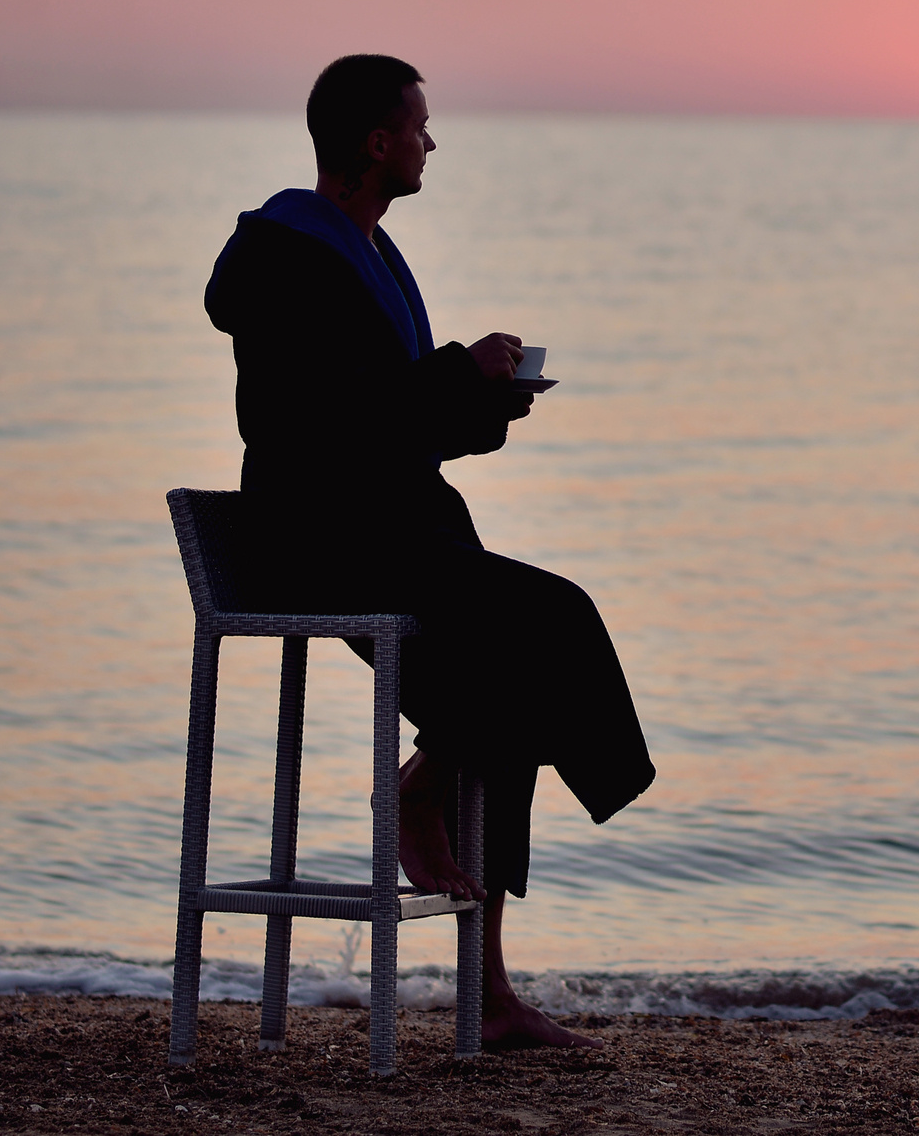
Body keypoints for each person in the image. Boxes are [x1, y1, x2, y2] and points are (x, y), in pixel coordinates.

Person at [204, 53, 655, 1051]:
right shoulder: (289, 255)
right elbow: (335, 420)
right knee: (546, 622)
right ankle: (419, 806)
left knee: (518, 668)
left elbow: (399, 423)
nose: (429, 142)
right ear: (376, 141)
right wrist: (457, 371)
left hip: (388, 529)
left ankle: (484, 988)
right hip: (322, 540)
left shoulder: (370, 252)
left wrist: (484, 395)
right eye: (418, 126)